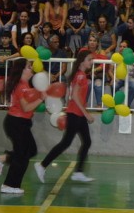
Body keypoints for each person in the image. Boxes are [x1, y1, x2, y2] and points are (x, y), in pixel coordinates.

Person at [35, 50, 95, 183]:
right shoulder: (80, 76)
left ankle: (78, 172)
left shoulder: (78, 75)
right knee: (66, 143)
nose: (92, 62)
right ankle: (42, 165)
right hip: (76, 115)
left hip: (76, 113)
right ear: (82, 61)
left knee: (85, 142)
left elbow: (70, 95)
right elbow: (74, 96)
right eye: (90, 59)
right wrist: (86, 113)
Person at [0, 58, 46, 193]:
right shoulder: (21, 86)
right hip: (16, 123)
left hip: (21, 123)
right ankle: (9, 185)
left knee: (31, 150)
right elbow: (26, 107)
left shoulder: (26, 85)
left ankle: (2, 158)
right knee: (22, 154)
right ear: (21, 70)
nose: (31, 69)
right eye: (29, 67)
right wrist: (41, 98)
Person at [109, 40, 134, 107]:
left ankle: (127, 105)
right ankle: (116, 105)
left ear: (128, 48)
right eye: (120, 46)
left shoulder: (132, 55)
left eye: (124, 47)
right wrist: (113, 78)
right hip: (118, 78)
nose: (122, 48)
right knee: (114, 85)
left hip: (129, 77)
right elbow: (110, 71)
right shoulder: (115, 55)